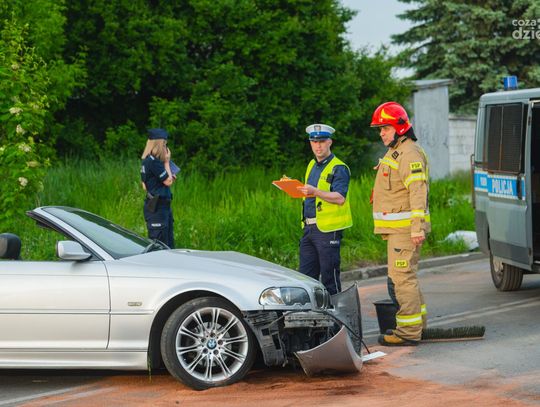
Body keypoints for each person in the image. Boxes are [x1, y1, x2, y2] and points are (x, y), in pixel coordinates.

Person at [370, 102, 430, 346]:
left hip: (405, 231)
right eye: (380, 129)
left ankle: (408, 332)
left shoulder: (409, 154)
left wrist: (417, 228)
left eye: (385, 128)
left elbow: (418, 191)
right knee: (406, 277)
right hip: (398, 230)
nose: (381, 133)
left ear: (400, 128)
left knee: (402, 279)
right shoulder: (397, 151)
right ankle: (418, 326)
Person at [297, 124, 353, 295]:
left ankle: (336, 312)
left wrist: (315, 192)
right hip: (309, 228)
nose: (318, 146)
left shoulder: (339, 167)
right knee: (306, 278)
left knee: (329, 277)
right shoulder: (312, 164)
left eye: (321, 141)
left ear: (330, 142)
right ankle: (312, 311)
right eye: (314, 142)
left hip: (328, 230)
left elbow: (340, 198)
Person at [140, 128, 175, 248]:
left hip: (160, 206)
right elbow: (168, 181)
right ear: (159, 144)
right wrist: (167, 162)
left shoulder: (147, 160)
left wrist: (168, 176)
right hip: (158, 207)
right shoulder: (154, 162)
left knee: (167, 243)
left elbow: (145, 185)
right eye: (164, 144)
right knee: (160, 245)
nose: (166, 147)